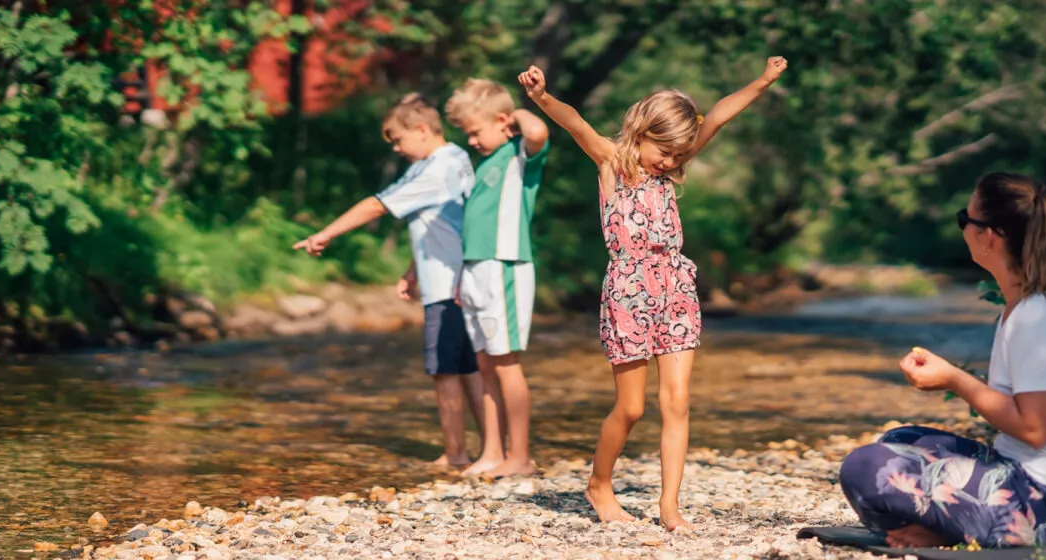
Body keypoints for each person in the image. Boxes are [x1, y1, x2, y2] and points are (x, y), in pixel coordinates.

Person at [520, 56, 789, 531]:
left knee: (678, 401)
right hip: (628, 289)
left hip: (676, 286)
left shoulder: (671, 169)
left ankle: (669, 506)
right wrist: (541, 98)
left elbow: (721, 114)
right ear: (640, 130)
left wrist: (763, 82)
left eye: (680, 155)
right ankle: (599, 483)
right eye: (663, 151)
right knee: (631, 408)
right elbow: (575, 122)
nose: (670, 161)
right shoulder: (610, 161)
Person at [838, 172, 1046, 548]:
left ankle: (951, 534)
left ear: (989, 235)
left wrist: (955, 380)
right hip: (1027, 476)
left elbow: (1036, 429)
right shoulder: (1032, 297)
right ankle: (947, 531)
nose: (963, 227)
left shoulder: (1039, 316)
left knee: (865, 468)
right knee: (900, 440)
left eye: (964, 219)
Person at [293, 93, 485, 468]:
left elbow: (375, 205)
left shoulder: (434, 168)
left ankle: (456, 454)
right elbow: (443, 223)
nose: (397, 148)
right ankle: (493, 450)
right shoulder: (456, 158)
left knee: (445, 371)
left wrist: (325, 234)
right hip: (460, 281)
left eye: (398, 140)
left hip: (446, 288)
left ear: (423, 130)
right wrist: (413, 269)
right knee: (470, 369)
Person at [442, 78, 551, 478]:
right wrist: (463, 277)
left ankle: (519, 455)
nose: (471, 140)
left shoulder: (518, 154)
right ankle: (492, 451)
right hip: (477, 269)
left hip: (505, 266)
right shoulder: (485, 163)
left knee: (506, 364)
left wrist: (516, 116)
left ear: (503, 122)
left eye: (475, 131)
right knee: (486, 363)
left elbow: (538, 130)